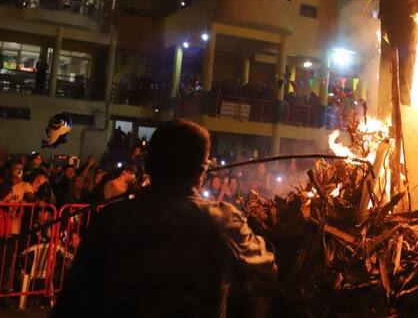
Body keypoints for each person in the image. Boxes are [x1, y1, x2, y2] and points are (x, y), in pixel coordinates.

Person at [51, 119, 275, 318]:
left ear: (149, 165)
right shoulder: (223, 220)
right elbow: (266, 263)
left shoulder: (111, 219)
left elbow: (71, 301)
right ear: (201, 173)